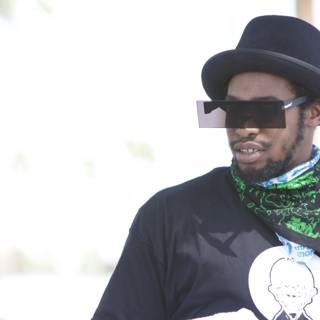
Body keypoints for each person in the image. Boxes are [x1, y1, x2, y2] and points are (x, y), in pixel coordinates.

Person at [92, 15, 320, 320]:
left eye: (264, 110)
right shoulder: (171, 218)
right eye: (233, 110)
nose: (245, 127)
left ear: (314, 113)